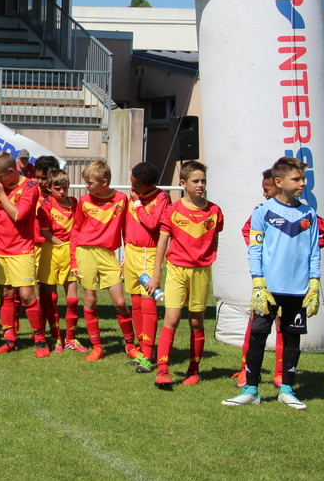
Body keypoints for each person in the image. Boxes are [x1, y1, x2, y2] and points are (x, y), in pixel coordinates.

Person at [223, 157, 321, 409]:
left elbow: (314, 251)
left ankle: (287, 389)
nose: (302, 183)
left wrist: (314, 283)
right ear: (279, 182)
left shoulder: (309, 213)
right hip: (267, 290)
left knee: (292, 339)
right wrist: (258, 283)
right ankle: (251, 390)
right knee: (257, 336)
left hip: (298, 290)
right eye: (296, 179)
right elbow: (255, 249)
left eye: (303, 178)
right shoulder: (263, 211)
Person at [232, 170, 324, 389]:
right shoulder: (263, 212)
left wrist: (299, 249)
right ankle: (247, 372)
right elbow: (248, 233)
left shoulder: (304, 214)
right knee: (257, 325)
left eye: (267, 189)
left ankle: (281, 375)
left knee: (287, 328)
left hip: (294, 283)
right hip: (268, 280)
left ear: (279, 186)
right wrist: (269, 252)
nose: (264, 194)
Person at [146, 161, 223, 387]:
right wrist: (156, 275)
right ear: (183, 183)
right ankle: (162, 371)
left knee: (197, 322)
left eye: (203, 181)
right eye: (195, 181)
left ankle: (193, 370)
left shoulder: (215, 211)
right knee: (172, 319)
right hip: (176, 270)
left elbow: (214, 242)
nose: (200, 185)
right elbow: (162, 243)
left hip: (201, 272)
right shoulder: (172, 210)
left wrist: (204, 259)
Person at [70, 159, 138, 362]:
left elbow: (127, 230)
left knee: (120, 302)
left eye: (90, 183)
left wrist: (127, 256)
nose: (86, 186)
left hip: (108, 255)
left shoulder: (121, 199)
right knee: (90, 301)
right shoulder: (84, 201)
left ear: (104, 182)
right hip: (85, 252)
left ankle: (130, 345)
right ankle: (97, 347)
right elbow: (76, 230)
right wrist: (74, 261)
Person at [0, 151, 48, 357]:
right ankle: (9, 339)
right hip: (0, 250)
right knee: (6, 294)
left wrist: (1, 194)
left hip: (21, 249)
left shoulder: (29, 187)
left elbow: (19, 215)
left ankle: (40, 340)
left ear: (11, 171)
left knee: (27, 295)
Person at [124, 161, 172, 373]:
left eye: (136, 185)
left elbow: (152, 224)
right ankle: (142, 351)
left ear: (149, 186)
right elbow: (128, 224)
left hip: (148, 253)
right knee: (135, 303)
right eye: (131, 182)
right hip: (132, 252)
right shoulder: (135, 196)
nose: (132, 187)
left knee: (147, 305)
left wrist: (137, 204)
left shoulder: (162, 197)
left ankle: (149, 355)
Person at [37, 168, 83, 352]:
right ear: (49, 187)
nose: (62, 192)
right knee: (51, 298)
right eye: (58, 188)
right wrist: (61, 244)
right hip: (52, 252)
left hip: (70, 253)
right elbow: (44, 231)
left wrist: (72, 245)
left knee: (73, 298)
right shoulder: (46, 204)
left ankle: (71, 338)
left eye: (65, 188)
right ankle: (57, 338)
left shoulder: (74, 203)